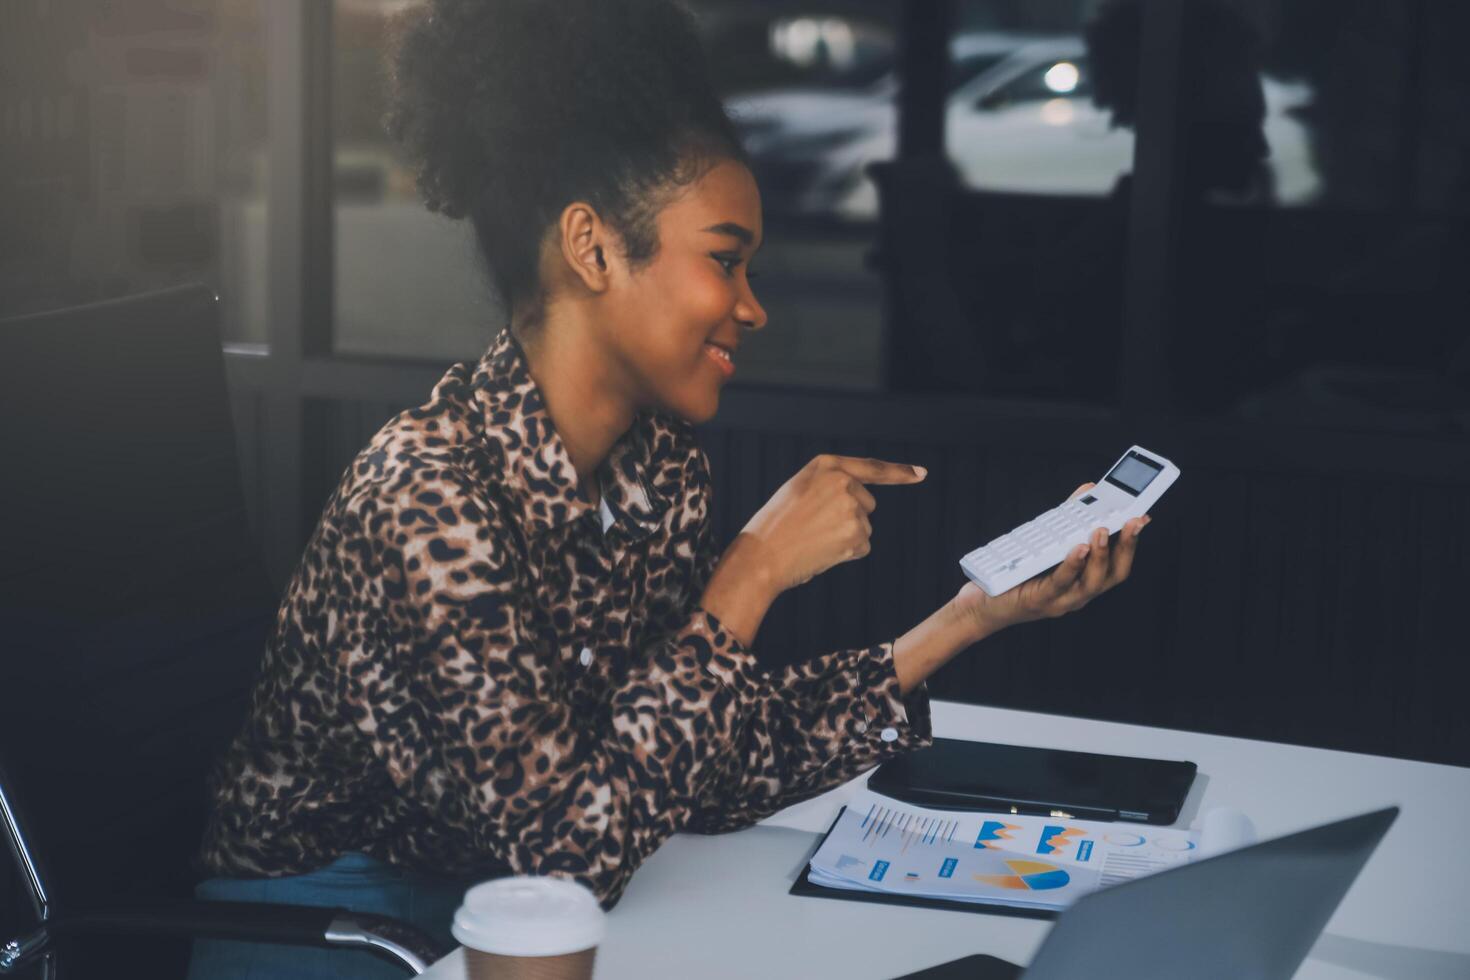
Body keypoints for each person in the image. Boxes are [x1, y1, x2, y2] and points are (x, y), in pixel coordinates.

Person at [190, 1, 1148, 975]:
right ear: (593, 246)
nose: (753, 305)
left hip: (500, 906)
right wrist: (753, 571)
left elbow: (694, 764)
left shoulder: (658, 468)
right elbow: (566, 851)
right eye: (725, 259)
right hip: (333, 928)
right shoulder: (430, 496)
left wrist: (964, 621)